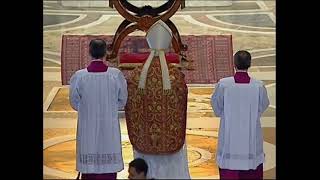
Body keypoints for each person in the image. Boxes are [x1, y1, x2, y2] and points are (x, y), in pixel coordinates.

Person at [124, 20, 190, 179]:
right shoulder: (174, 75)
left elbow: (130, 99)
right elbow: (182, 98)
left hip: (145, 137)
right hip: (169, 136)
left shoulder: (138, 74)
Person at [69, 39, 128, 180]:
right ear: (105, 53)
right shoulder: (115, 75)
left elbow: (73, 101)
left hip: (87, 126)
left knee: (89, 169)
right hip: (109, 125)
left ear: (89, 52)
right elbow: (123, 100)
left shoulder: (80, 76)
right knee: (108, 169)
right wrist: (111, 108)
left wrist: (86, 110)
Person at [211, 50, 270, 180]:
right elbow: (264, 105)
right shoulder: (258, 86)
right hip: (250, 135)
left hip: (230, 136)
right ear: (250, 64)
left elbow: (216, 106)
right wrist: (252, 114)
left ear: (234, 64)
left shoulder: (224, 84)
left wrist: (226, 115)